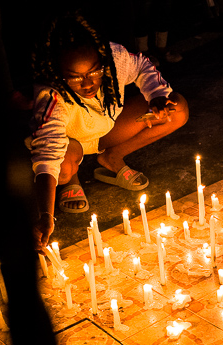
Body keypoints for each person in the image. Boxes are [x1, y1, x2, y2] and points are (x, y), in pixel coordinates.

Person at [28, 11, 188, 252]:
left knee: (176, 110)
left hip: (106, 131)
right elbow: (47, 158)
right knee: (59, 170)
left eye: (94, 72)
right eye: (75, 78)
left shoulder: (113, 57)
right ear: (58, 74)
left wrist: (157, 96)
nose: (88, 83)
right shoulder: (51, 96)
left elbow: (143, 66)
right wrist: (45, 215)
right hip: (71, 143)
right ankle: (73, 175)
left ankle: (111, 157)